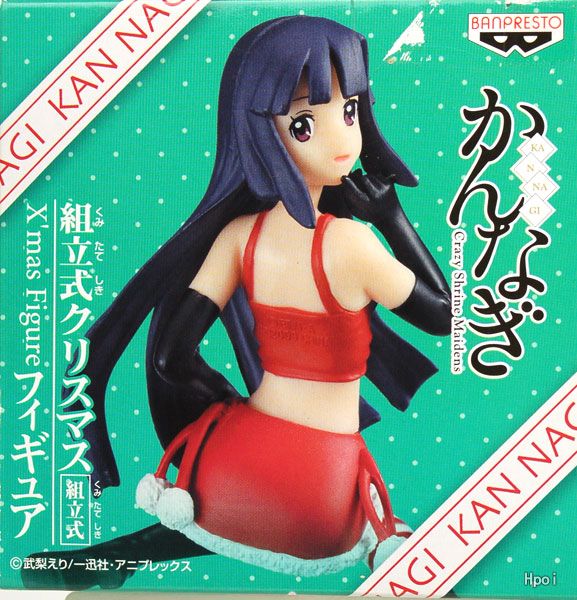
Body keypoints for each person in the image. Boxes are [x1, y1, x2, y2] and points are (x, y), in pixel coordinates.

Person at [22, 16, 450, 590]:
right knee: (378, 531)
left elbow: (170, 358)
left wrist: (226, 412)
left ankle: (101, 559)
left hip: (235, 462)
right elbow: (444, 315)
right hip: (320, 491)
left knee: (215, 513)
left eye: (349, 111)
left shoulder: (238, 236)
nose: (344, 140)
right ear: (260, 133)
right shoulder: (350, 244)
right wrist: (393, 218)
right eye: (305, 123)